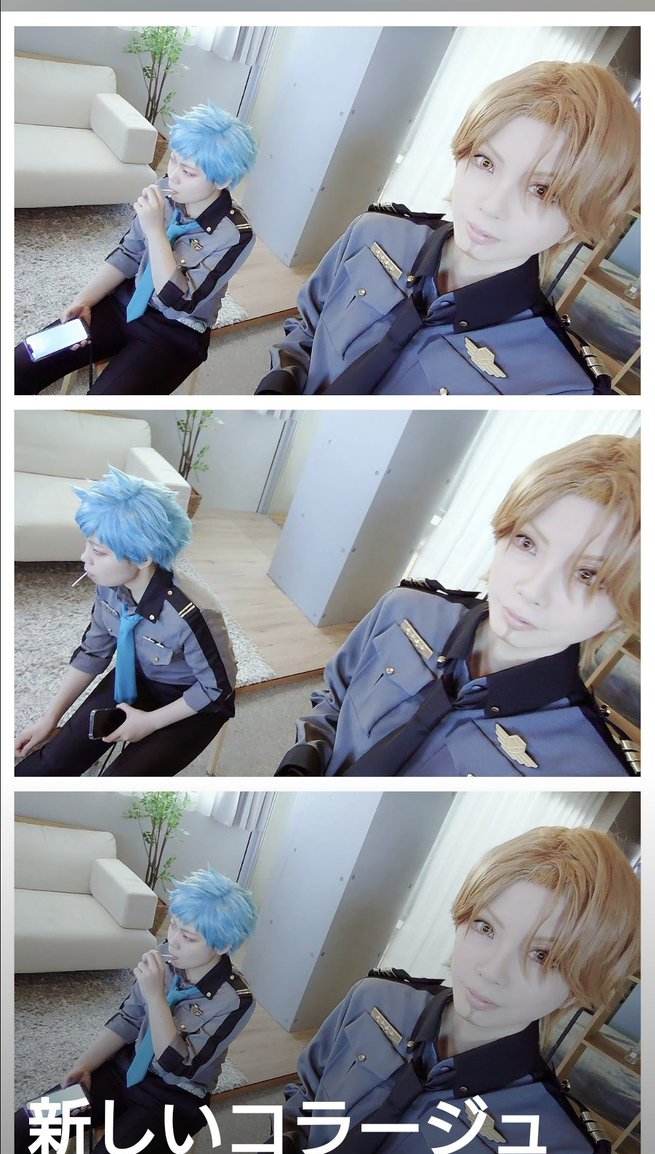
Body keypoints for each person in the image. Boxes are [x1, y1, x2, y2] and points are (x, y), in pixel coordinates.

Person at [255, 61, 639, 396]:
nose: (491, 205)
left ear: (579, 223)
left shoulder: (559, 386)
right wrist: (278, 386)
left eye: (542, 191)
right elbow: (307, 328)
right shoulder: (373, 233)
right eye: (485, 162)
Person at [275, 434, 639, 777]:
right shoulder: (404, 609)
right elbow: (334, 700)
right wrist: (304, 760)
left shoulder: (592, 765)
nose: (532, 590)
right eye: (527, 543)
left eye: (588, 575)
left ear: (625, 609)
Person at [273, 826, 640, 1154]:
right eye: (485, 927)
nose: (491, 971)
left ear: (580, 988)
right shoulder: (373, 999)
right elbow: (306, 1095)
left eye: (543, 956)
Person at [15, 867, 257, 1154]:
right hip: (121, 1069)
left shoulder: (236, 1000)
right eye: (174, 925)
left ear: (222, 945)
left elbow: (177, 1067)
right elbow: (129, 1019)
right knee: (24, 1123)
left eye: (188, 937)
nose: (173, 941)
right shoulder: (165, 955)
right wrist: (85, 1064)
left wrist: (156, 998)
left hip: (174, 1099)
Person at [15, 102, 257, 395]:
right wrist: (85, 300)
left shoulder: (235, 235)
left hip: (175, 331)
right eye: (174, 160)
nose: (174, 175)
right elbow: (129, 254)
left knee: (102, 405)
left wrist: (156, 232)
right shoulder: (165, 190)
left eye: (188, 172)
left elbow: (178, 302)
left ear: (222, 179)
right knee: (21, 363)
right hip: (123, 302)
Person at [15, 467, 237, 776]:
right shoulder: (109, 587)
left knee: (117, 778)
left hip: (192, 702)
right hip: (138, 677)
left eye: (98, 551)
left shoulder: (193, 615)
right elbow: (93, 652)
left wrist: (149, 723)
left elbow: (217, 689)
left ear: (143, 557)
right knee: (52, 761)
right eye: (87, 545)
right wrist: (49, 719)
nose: (84, 558)